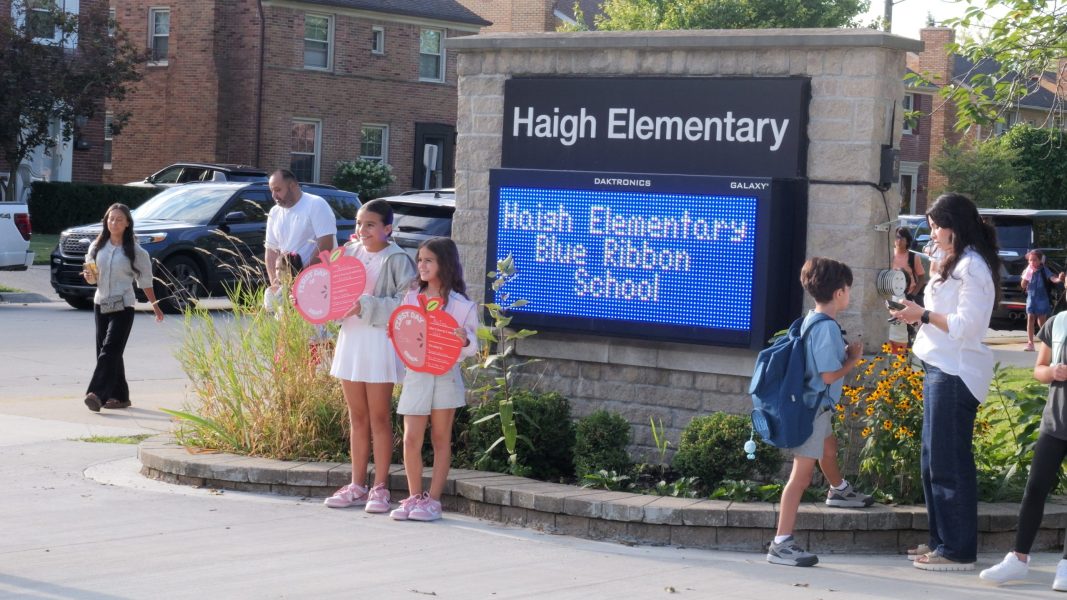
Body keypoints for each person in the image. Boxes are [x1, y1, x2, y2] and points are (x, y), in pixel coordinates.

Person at [891, 192, 1000, 572]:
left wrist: (923, 315)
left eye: (936, 226)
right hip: (938, 365)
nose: (931, 234)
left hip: (955, 371)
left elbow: (968, 327)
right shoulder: (952, 261)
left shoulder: (973, 268)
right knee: (932, 461)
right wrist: (915, 314)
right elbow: (939, 311)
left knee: (948, 463)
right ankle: (941, 541)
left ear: (954, 228)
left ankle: (957, 551)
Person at [767, 257, 870, 568]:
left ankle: (838, 490)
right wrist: (852, 359)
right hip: (813, 409)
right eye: (848, 289)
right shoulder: (825, 328)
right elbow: (826, 375)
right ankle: (781, 542)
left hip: (817, 407)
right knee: (800, 477)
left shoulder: (812, 319)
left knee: (829, 448)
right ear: (839, 293)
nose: (849, 294)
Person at [324, 199, 416, 512]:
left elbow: (408, 303)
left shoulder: (398, 258)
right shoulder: (349, 253)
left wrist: (367, 305)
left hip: (379, 341)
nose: (362, 230)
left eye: (371, 224)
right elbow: (331, 291)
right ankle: (356, 484)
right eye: (359, 223)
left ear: (388, 228)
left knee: (379, 416)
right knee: (357, 416)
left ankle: (380, 487)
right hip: (351, 340)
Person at [390, 238, 480, 522]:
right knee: (410, 438)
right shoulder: (412, 295)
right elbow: (404, 327)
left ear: (445, 263)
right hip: (416, 374)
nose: (422, 265)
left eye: (428, 260)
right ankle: (414, 495)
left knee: (441, 438)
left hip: (445, 373)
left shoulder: (462, 305)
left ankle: (434, 500)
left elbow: (473, 344)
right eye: (420, 260)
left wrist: (464, 340)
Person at [978, 310, 1067, 590]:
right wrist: (1052, 371)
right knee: (1034, 488)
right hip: (1055, 422)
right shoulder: (1058, 322)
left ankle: (1066, 565)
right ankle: (1018, 558)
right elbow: (1038, 369)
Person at [81, 203, 165, 412]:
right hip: (101, 303)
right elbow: (92, 279)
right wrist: (89, 277)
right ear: (105, 221)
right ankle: (121, 396)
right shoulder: (96, 247)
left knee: (110, 349)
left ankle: (96, 394)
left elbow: (145, 281)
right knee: (108, 351)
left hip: (123, 305)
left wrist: (155, 306)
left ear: (127, 223)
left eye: (119, 219)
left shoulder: (136, 251)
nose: (114, 223)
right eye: (111, 219)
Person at [264, 168, 336, 306]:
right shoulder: (274, 212)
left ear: (292, 185)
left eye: (278, 190)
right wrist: (277, 284)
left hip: (316, 285)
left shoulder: (316, 204)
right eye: (271, 191)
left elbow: (326, 244)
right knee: (286, 327)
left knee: (314, 328)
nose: (274, 195)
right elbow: (271, 251)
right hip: (286, 290)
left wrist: (301, 280)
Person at [1021, 249, 1064, 352]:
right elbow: (1023, 285)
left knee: (1042, 321)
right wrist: (1026, 277)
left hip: (1042, 298)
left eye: (1034, 260)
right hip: (1031, 297)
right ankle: (1030, 343)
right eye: (1030, 260)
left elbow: (1052, 279)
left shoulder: (1044, 270)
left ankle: (1047, 342)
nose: (1032, 262)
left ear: (1040, 260)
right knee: (1030, 319)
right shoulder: (1028, 270)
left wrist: (1060, 279)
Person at [893, 226, 926, 304]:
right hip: (891, 295)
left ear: (907, 241)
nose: (898, 240)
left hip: (907, 298)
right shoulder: (889, 254)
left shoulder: (913, 257)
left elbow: (921, 278)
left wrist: (912, 295)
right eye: (896, 237)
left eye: (901, 238)